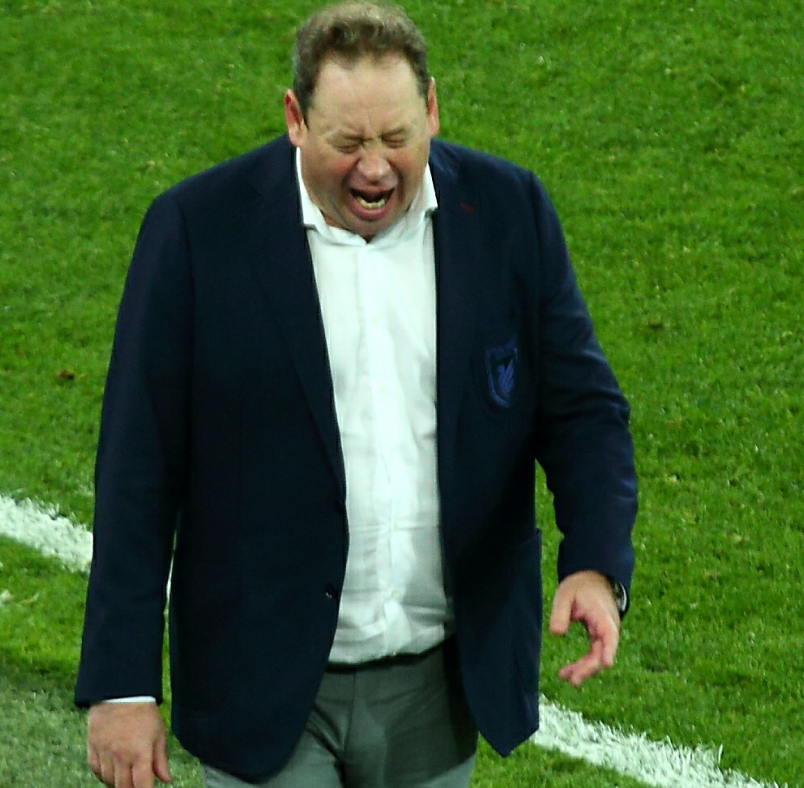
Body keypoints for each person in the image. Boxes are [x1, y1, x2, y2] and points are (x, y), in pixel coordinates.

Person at [74, 3, 637, 787]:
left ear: (432, 109)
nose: (375, 169)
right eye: (348, 143)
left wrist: (596, 563)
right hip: (266, 685)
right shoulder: (199, 232)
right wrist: (122, 684)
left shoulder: (508, 214)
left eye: (397, 137)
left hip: (438, 692)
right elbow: (139, 464)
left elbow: (582, 412)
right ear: (295, 119)